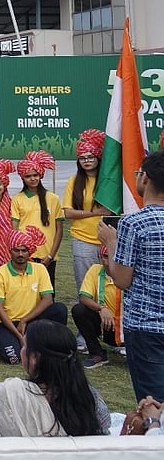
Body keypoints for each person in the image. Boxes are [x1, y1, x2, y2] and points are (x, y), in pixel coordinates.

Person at [0, 320, 109, 438]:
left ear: (34, 358)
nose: (21, 350)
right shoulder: (91, 399)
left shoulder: (12, 394)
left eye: (24, 346)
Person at [97, 149, 164, 401]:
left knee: (152, 404)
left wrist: (111, 242)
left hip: (146, 326)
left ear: (145, 178)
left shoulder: (133, 223)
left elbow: (122, 280)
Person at [0, 226, 68, 365]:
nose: (20, 254)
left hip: (31, 320)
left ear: (29, 252)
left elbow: (48, 300)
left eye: (24, 250)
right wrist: (18, 335)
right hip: (6, 323)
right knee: (13, 358)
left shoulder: (40, 269)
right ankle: (29, 343)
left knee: (59, 309)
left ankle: (51, 345)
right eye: (16, 250)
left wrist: (24, 320)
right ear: (10, 251)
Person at [62, 130, 110, 294]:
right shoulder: (74, 181)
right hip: (83, 240)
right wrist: (96, 212)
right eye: (82, 158)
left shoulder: (108, 181)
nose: (87, 161)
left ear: (98, 157)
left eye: (90, 157)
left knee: (110, 283)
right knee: (84, 286)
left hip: (108, 239)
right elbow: (68, 213)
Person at [10, 150, 63, 286]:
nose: (33, 179)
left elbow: (59, 230)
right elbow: (14, 229)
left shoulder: (53, 198)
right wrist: (18, 252)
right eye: (28, 176)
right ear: (22, 178)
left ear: (40, 175)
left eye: (35, 175)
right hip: (25, 255)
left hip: (47, 255)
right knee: (26, 290)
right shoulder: (17, 199)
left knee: (47, 291)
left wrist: (51, 256)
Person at [72, 245, 123, 368]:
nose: (109, 260)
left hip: (127, 328)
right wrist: (102, 308)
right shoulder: (96, 270)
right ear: (100, 258)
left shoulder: (128, 274)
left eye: (113, 256)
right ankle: (97, 353)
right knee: (79, 310)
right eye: (105, 256)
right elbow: (84, 297)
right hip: (106, 326)